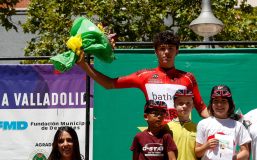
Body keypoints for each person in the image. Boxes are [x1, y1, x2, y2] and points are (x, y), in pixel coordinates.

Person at [76, 30, 209, 122]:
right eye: (162, 49)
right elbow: (109, 83)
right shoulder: (144, 75)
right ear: (156, 52)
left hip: (181, 135)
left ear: (177, 51)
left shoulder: (188, 77)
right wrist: (83, 65)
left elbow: (202, 109)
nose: (167, 52)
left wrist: (225, 124)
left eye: (171, 48)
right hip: (157, 137)